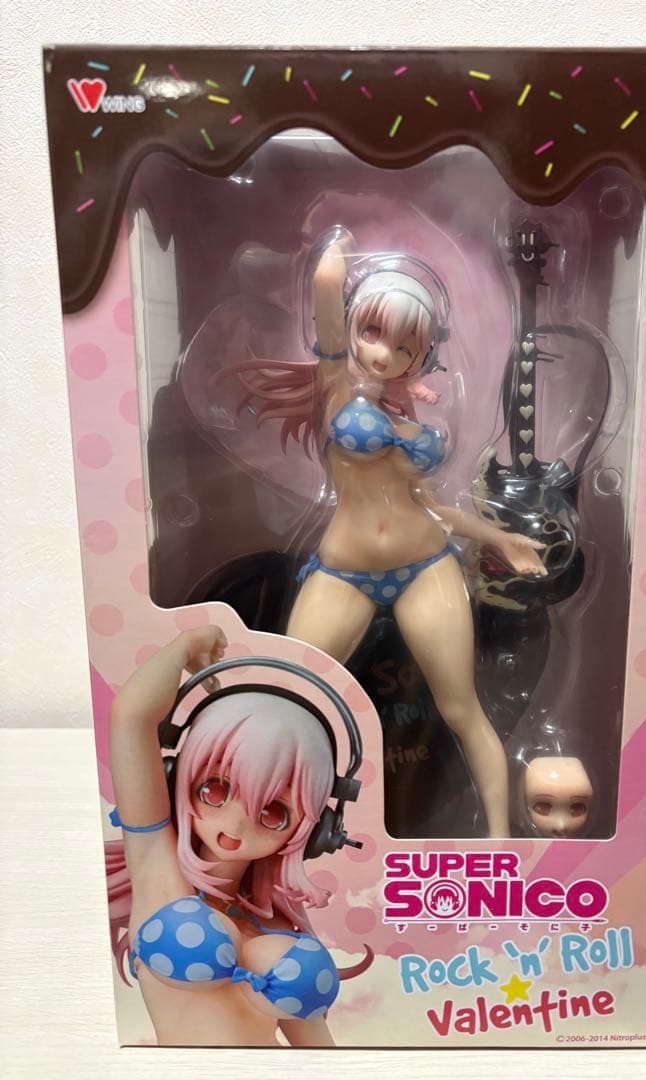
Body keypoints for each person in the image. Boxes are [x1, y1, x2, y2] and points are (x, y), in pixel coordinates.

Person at [216, 230, 547, 836]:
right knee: (289, 692)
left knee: (461, 708)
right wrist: (336, 245)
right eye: (372, 332)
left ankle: (500, 844)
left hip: (426, 563)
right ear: (352, 328)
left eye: (405, 346)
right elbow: (325, 288)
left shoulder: (411, 412)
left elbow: (429, 503)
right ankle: (263, 829)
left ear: (423, 354)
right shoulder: (336, 388)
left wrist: (500, 538)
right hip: (345, 570)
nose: (385, 354)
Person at [106, 625, 368, 1047]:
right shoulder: (158, 873)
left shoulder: (279, 924)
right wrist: (187, 644)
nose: (236, 823)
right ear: (177, 777)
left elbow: (319, 1053)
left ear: (319, 830)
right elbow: (130, 718)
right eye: (215, 790)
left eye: (273, 812)